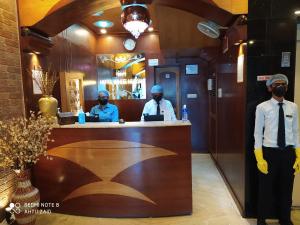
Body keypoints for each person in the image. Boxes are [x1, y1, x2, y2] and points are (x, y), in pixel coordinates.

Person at [254, 74, 300, 225]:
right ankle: (261, 219)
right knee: (265, 189)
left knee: (286, 189)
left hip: (288, 154)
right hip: (269, 153)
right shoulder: (262, 107)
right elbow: (257, 133)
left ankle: (285, 219)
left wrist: (298, 154)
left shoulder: (293, 107)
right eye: (276, 84)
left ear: (286, 87)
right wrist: (259, 157)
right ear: (269, 88)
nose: (280, 86)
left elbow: (296, 131)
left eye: (283, 84)